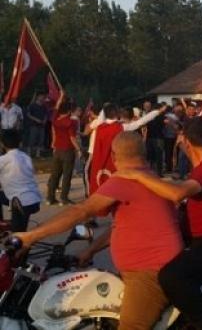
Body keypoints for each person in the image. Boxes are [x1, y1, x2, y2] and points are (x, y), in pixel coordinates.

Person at [15, 131, 184, 330]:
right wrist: (90, 251)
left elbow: (82, 210)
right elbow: (121, 228)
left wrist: (30, 236)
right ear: (144, 152)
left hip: (149, 273)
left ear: (113, 156)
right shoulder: (150, 177)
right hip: (151, 267)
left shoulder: (124, 180)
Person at [115, 117, 202, 330]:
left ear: (185, 141)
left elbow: (177, 193)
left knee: (170, 276)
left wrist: (136, 175)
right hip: (201, 239)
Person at [0, 129, 42, 231]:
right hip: (34, 199)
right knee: (21, 230)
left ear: (2, 144)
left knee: (17, 237)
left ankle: (3, 224)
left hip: (19, 202)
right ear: (20, 143)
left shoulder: (3, 159)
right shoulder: (26, 157)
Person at [47, 96, 80, 205]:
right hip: (68, 150)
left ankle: (50, 198)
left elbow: (56, 108)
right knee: (67, 175)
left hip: (57, 150)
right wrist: (78, 149)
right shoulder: (71, 122)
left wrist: (60, 97)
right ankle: (64, 198)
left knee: (55, 174)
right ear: (69, 111)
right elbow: (72, 138)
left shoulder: (55, 119)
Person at [142, 101, 165, 177]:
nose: (147, 107)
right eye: (146, 106)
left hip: (158, 138)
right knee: (150, 155)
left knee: (158, 156)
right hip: (149, 137)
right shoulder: (144, 115)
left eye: (148, 106)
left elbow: (165, 122)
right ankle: (151, 172)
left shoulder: (160, 115)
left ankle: (159, 173)